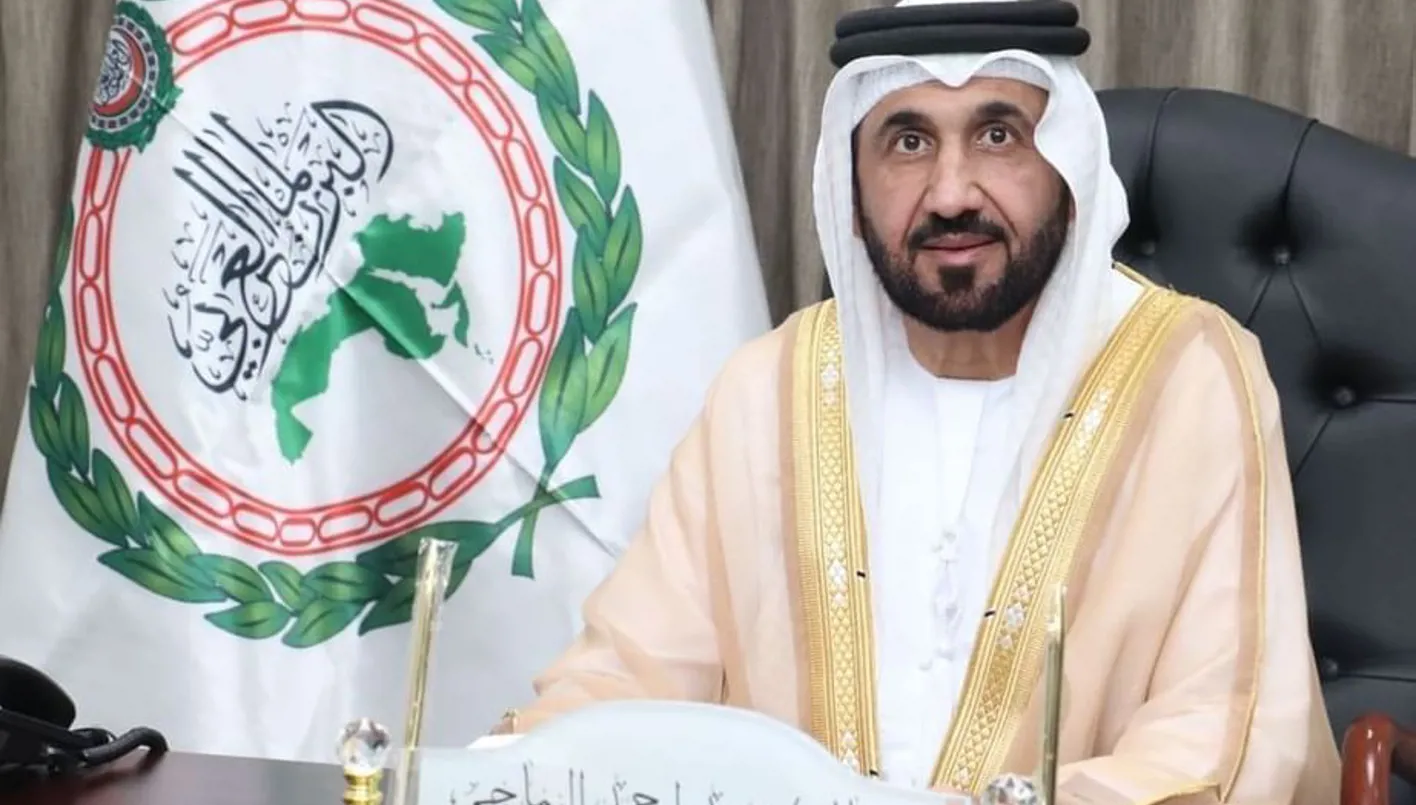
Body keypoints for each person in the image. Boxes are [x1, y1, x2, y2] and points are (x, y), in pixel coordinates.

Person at [489, 1, 1341, 802]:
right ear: (852, 195)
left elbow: (1222, 732)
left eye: (998, 135)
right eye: (907, 142)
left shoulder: (1189, 374)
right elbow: (628, 675)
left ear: (1068, 168)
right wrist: (502, 771)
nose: (951, 193)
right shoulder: (769, 386)